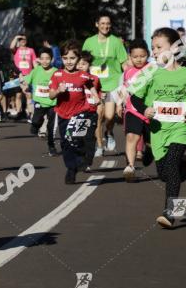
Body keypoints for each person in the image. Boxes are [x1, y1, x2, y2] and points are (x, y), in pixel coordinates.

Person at [129, 28, 186, 228]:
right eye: (153, 48)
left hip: (180, 129)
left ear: (174, 48)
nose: (153, 52)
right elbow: (134, 97)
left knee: (169, 167)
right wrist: (144, 109)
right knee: (164, 173)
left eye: (158, 47)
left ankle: (171, 215)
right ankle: (183, 166)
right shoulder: (150, 73)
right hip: (158, 130)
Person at [48, 41, 101, 185]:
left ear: (78, 58)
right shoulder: (57, 75)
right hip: (63, 113)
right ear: (61, 59)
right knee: (66, 143)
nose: (69, 61)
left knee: (76, 139)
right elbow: (51, 95)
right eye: (65, 58)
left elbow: (91, 85)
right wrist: (58, 90)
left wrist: (96, 96)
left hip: (80, 112)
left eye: (72, 58)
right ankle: (72, 169)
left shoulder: (83, 76)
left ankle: (82, 159)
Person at [82, 13, 128, 157]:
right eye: (102, 23)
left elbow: (124, 63)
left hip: (112, 83)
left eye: (108, 23)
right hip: (94, 85)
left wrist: (130, 77)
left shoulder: (116, 42)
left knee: (109, 116)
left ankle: (109, 132)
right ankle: (100, 145)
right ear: (97, 24)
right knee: (98, 117)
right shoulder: (89, 42)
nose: (105, 26)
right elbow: (83, 62)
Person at [115, 40, 154, 181]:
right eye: (135, 56)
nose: (139, 59)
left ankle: (149, 150)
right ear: (130, 57)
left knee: (151, 141)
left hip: (150, 111)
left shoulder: (153, 69)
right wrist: (119, 104)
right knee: (131, 137)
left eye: (142, 56)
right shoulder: (128, 72)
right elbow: (124, 89)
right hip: (132, 110)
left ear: (148, 55)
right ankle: (130, 167)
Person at [25, 48, 58, 156]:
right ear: (39, 59)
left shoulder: (56, 72)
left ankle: (51, 146)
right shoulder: (36, 70)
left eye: (47, 58)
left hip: (52, 102)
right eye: (42, 58)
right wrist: (24, 85)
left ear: (52, 59)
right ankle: (35, 125)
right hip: (39, 101)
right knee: (36, 120)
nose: (45, 61)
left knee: (51, 126)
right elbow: (27, 81)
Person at [9, 33, 36, 118]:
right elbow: (11, 47)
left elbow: (34, 62)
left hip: (28, 75)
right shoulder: (16, 50)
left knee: (28, 94)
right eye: (21, 40)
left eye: (24, 39)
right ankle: (18, 112)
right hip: (18, 75)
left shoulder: (31, 50)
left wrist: (36, 72)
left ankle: (30, 113)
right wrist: (17, 37)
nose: (23, 41)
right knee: (18, 95)